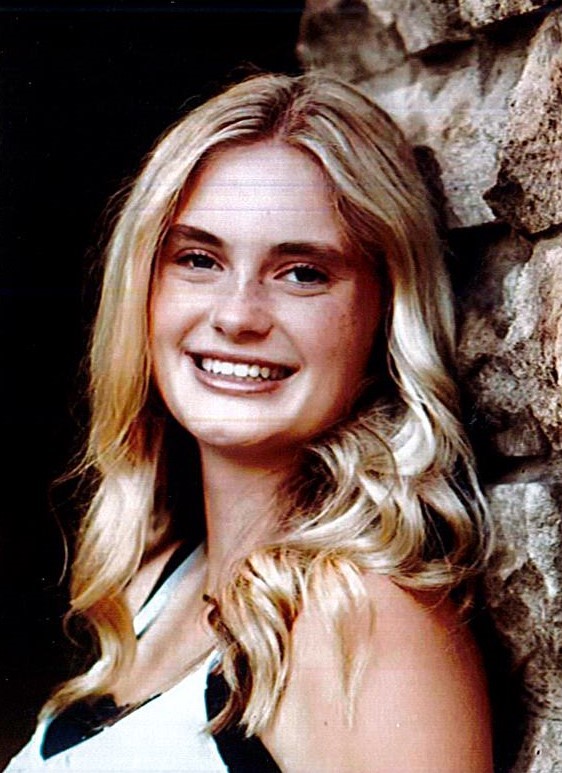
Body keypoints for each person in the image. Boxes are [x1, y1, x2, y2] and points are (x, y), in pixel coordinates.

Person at [6, 70, 494, 772]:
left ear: (386, 313)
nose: (237, 315)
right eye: (198, 259)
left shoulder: (363, 623)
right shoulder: (160, 581)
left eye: (302, 272)